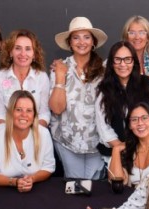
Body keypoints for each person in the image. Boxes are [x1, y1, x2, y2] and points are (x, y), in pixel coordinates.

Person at [49, 17, 107, 180]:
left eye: (86, 37)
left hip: (97, 141)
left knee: (94, 187)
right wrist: (60, 77)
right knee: (74, 187)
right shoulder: (60, 68)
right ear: (70, 43)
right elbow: (57, 108)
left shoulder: (104, 71)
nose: (82, 42)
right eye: (76, 37)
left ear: (93, 42)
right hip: (67, 140)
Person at [95, 41, 149, 159]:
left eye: (127, 59)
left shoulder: (148, 84)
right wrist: (121, 148)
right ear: (111, 63)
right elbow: (103, 126)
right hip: (117, 153)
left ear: (134, 61)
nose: (123, 64)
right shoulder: (104, 89)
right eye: (117, 59)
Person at [0, 91, 54, 191]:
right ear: (10, 112)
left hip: (33, 189)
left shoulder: (44, 133)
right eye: (18, 110)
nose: (24, 115)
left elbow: (48, 167)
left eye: (29, 110)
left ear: (34, 114)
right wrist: (15, 182)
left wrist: (31, 179)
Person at [0, 30, 50, 127]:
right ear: (10, 52)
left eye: (28, 49)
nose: (23, 53)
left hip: (35, 133)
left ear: (34, 54)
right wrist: (8, 137)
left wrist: (34, 135)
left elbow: (44, 114)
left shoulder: (42, 77)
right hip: (7, 133)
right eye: (18, 48)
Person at [108, 102, 149, 187]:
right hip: (132, 198)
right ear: (129, 126)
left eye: (144, 118)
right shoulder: (127, 150)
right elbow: (116, 180)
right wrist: (116, 150)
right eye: (134, 119)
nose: (140, 123)